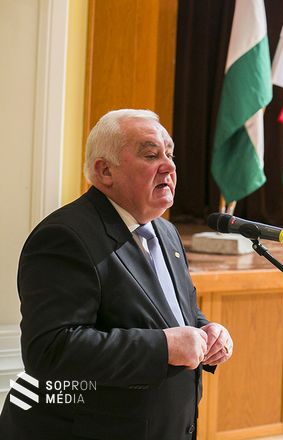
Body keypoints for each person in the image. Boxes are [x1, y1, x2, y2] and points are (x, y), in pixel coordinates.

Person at [0, 109, 232, 440]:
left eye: (169, 154)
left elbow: (173, 313)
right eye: (151, 155)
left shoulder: (165, 232)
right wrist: (164, 347)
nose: (169, 166)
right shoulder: (64, 237)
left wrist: (207, 332)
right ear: (105, 171)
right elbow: (51, 349)